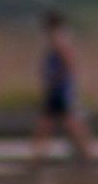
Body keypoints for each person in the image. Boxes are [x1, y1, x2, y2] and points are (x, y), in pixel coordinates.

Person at [32, 10, 93, 162]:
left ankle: (88, 152)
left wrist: (55, 78)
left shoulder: (58, 40)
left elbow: (69, 63)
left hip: (60, 90)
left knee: (68, 121)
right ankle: (38, 153)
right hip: (57, 89)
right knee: (49, 122)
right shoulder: (57, 39)